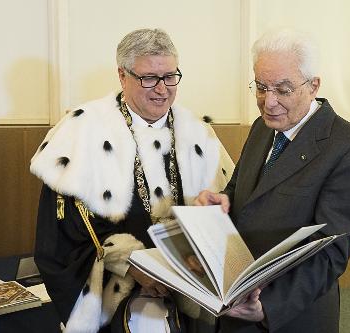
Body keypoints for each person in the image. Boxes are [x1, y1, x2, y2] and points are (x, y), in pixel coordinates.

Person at [30, 28, 234, 332]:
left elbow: (226, 209)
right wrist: (131, 264)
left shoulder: (198, 134)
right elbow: (64, 233)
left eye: (170, 76)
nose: (162, 89)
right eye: (149, 78)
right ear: (122, 75)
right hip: (119, 298)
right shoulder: (82, 133)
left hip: (193, 294)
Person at [195, 29, 350, 332]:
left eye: (283, 89)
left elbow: (330, 254)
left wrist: (267, 307)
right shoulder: (262, 127)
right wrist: (223, 199)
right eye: (261, 87)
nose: (269, 102)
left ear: (313, 85)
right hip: (236, 297)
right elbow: (241, 189)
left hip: (289, 314)